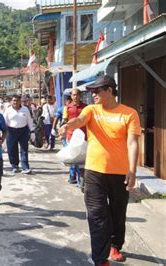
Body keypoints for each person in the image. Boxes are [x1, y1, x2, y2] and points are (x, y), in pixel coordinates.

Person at [59, 75, 140, 266]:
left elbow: (133, 142)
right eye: (92, 91)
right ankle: (100, 259)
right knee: (96, 214)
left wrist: (133, 170)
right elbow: (79, 120)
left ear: (109, 90)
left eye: (97, 91)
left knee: (117, 213)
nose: (93, 94)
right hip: (94, 171)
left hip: (120, 173)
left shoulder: (129, 113)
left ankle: (115, 244)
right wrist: (68, 125)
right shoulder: (91, 110)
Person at [3, 95, 35, 174]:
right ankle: (14, 166)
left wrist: (32, 131)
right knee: (12, 149)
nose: (15, 102)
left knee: (24, 149)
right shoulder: (8, 110)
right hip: (11, 131)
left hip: (23, 131)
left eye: (17, 100)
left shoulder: (25, 109)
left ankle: (25, 167)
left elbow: (29, 120)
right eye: (14, 100)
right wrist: (3, 133)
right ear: (11, 102)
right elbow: (4, 122)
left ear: (20, 101)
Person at [63, 89, 88, 187]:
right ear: (71, 96)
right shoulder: (67, 107)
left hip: (83, 135)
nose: (75, 97)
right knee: (72, 157)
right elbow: (65, 121)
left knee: (81, 158)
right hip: (71, 135)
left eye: (77, 95)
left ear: (80, 95)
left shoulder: (86, 107)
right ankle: (72, 176)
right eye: (73, 95)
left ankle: (80, 180)